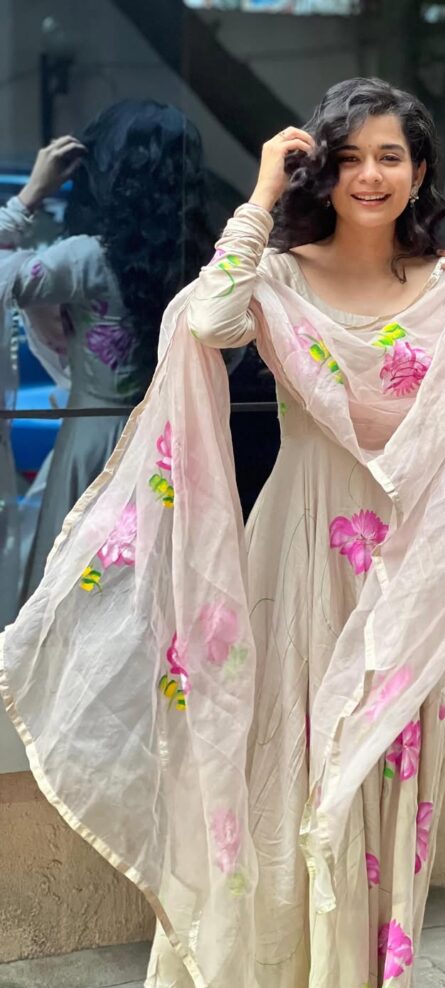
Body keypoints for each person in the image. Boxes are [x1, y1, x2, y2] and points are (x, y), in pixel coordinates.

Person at [0, 79, 445, 988]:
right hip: (300, 552)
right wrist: (265, 192)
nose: (369, 176)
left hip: (415, 574)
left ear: (420, 170)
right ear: (320, 172)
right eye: (347, 158)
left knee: (382, 787)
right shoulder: (277, 278)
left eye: (390, 156)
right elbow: (206, 321)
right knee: (286, 772)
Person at [0, 100, 212, 608]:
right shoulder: (203, 260)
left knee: (75, 601)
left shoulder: (86, 259)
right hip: (175, 445)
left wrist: (30, 196)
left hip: (92, 443)